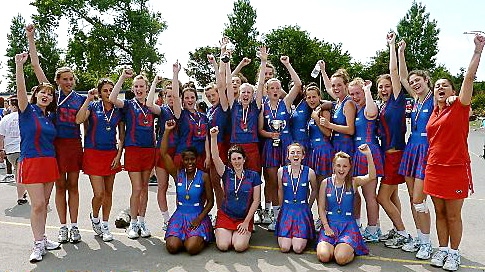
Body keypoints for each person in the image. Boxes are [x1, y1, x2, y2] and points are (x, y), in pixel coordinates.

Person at [425, 34, 484, 271]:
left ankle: (454, 252)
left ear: (453, 90)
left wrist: (477, 52)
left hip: (455, 169)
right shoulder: (433, 111)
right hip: (433, 168)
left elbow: (468, 78)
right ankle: (441, 250)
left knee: (452, 216)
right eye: (437, 85)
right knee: (439, 213)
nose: (440, 87)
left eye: (445, 85)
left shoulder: (459, 108)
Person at [27, 24, 86, 244]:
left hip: (74, 144)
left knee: (74, 186)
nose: (69, 82)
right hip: (55, 146)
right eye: (65, 79)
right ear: (58, 80)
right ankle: (62, 227)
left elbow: (86, 125)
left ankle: (74, 225)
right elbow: (35, 64)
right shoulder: (51, 95)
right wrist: (31, 37)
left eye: (71, 79)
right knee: (60, 186)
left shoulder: (81, 98)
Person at [15, 52, 61, 262]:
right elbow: (21, 90)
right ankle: (37, 244)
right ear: (36, 96)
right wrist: (19, 66)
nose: (46, 95)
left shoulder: (49, 117)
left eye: (49, 94)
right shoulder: (27, 111)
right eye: (42, 92)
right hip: (31, 161)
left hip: (49, 162)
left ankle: (42, 238)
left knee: (45, 203)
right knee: (37, 205)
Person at [397, 40, 434, 259]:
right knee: (413, 198)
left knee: (420, 200)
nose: (414, 84)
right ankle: (421, 239)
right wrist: (400, 51)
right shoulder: (416, 100)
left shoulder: (434, 100)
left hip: (426, 150)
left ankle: (428, 243)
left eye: (418, 80)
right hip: (412, 147)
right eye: (412, 82)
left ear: (426, 80)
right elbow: (402, 77)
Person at [75, 78, 124, 242]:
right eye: (105, 90)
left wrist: (118, 156)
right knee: (99, 193)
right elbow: (78, 120)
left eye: (111, 89)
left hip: (111, 154)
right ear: (100, 92)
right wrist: (88, 99)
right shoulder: (93, 106)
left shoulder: (118, 110)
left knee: (109, 192)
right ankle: (95, 217)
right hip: (93, 153)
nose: (109, 93)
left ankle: (105, 225)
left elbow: (122, 136)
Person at [109, 68, 156, 239]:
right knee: (137, 188)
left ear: (147, 87)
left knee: (145, 188)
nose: (138, 89)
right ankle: (133, 222)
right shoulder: (128, 104)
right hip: (133, 150)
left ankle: (142, 222)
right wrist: (122, 77)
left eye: (141, 86)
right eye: (136, 86)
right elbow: (113, 98)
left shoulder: (151, 106)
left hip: (149, 149)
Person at [258, 55, 301, 231]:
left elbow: (298, 85)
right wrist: (270, 134)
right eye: (272, 88)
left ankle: (290, 214)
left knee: (288, 180)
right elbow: (260, 130)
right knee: (273, 181)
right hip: (270, 145)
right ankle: (276, 217)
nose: (275, 90)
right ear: (267, 90)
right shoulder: (262, 106)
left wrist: (287, 64)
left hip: (287, 146)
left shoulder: (286, 102)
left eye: (278, 87)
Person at [376, 33, 410, 248]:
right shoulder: (382, 106)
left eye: (387, 86)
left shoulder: (397, 102)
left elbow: (395, 72)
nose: (384, 89)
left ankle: (403, 233)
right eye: (381, 87)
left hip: (395, 154)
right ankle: (398, 229)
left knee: (382, 197)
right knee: (393, 195)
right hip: (388, 154)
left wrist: (393, 48)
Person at [161, 119, 214, 255]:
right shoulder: (177, 174)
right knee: (172, 247)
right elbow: (163, 154)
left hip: (197, 215)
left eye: (192, 159)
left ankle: (202, 236)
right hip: (180, 215)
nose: (189, 162)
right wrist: (167, 131)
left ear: (196, 159)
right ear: (182, 161)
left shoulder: (203, 176)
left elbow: (210, 201)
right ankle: (183, 237)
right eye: (186, 159)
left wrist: (200, 218)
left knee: (191, 248)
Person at [316, 144, 375, 265]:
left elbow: (372, 176)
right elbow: (321, 208)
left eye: (345, 166)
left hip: (348, 226)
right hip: (330, 225)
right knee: (324, 256)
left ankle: (349, 249)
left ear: (349, 168)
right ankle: (334, 247)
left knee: (341, 258)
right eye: (338, 165)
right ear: (333, 166)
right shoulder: (325, 183)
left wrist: (368, 155)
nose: (341, 169)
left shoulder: (353, 182)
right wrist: (326, 226)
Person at [210, 126, 261, 252]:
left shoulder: (253, 175)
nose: (237, 161)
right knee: (223, 246)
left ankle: (241, 232)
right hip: (226, 215)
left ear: (244, 159)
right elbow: (215, 157)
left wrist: (246, 221)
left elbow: (256, 201)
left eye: (239, 158)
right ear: (230, 161)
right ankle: (223, 231)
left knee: (239, 246)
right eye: (234, 159)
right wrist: (213, 137)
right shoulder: (226, 172)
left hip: (244, 218)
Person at [348, 79, 384, 242]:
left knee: (369, 195)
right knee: (356, 193)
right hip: (357, 152)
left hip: (369, 152)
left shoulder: (369, 106)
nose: (355, 96)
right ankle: (361, 225)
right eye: (352, 94)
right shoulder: (356, 108)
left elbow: (371, 113)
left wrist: (368, 90)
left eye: (358, 93)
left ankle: (372, 229)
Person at [146, 69, 182, 231]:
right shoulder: (163, 110)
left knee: (180, 187)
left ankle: (180, 216)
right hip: (163, 151)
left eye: (173, 95)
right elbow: (148, 104)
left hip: (178, 153)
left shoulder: (182, 112)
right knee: (163, 186)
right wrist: (154, 82)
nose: (171, 98)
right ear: (164, 98)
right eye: (167, 95)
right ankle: (166, 219)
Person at [275, 143, 317, 253]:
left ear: (303, 156)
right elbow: (280, 189)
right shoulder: (281, 171)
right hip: (287, 211)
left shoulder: (310, 172)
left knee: (297, 248)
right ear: (288, 156)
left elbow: (314, 190)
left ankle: (302, 234)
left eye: (298, 152)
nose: (295, 155)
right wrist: (281, 207)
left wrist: (309, 205)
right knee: (285, 248)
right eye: (292, 152)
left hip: (302, 211)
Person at [0, 96, 26, 204]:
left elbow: (1, 136)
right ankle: (21, 196)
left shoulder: (5, 119)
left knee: (18, 172)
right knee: (21, 173)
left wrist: (1, 149)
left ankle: (22, 191)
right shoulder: (25, 117)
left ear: (13, 106)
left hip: (10, 151)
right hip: (23, 148)